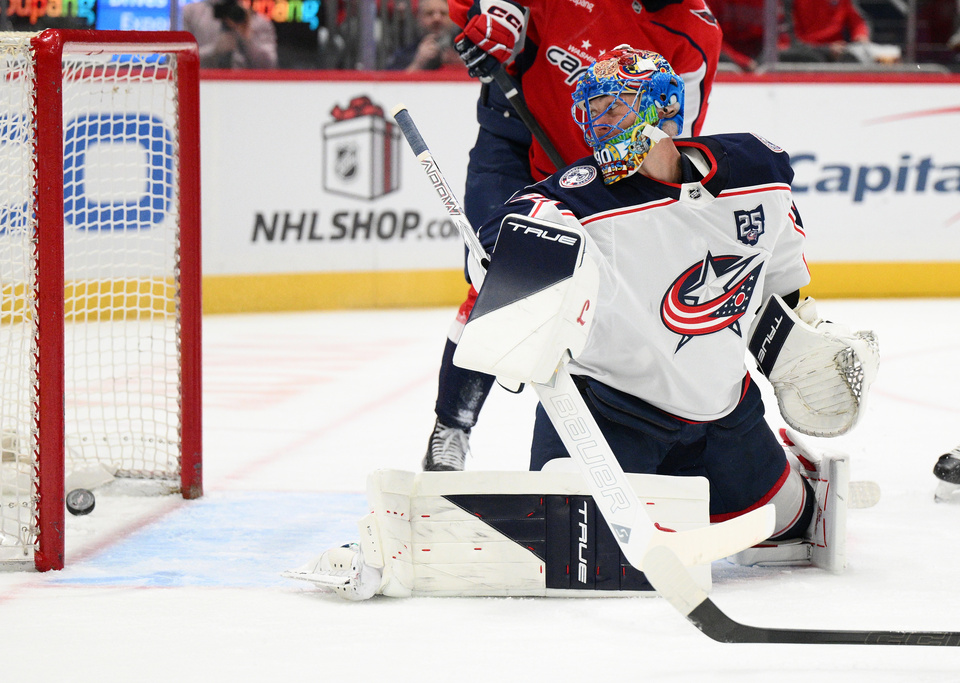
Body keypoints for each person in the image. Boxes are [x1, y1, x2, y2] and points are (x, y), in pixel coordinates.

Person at [285, 47, 879, 598]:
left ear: (663, 107)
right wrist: (501, 257)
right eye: (593, 108)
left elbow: (781, 278)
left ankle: (791, 469)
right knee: (574, 558)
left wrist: (807, 342)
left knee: (787, 523)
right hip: (608, 416)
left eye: (617, 104)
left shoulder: (757, 172)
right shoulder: (580, 198)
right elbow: (522, 220)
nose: (601, 123)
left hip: (724, 413)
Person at [421, 0, 723, 471]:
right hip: (517, 139)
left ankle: (604, 447)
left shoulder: (693, 33)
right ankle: (452, 426)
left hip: (603, 169)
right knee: (498, 278)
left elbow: (670, 138)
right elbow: (468, 8)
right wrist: (497, 13)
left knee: (605, 306)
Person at [182, 0, 278, 69]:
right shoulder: (192, 13)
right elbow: (179, 62)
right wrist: (213, 50)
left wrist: (247, 39)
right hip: (203, 83)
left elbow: (269, 66)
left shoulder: (258, 22)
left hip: (246, 86)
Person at [386, 0, 466, 71]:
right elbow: (390, 85)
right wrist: (418, 64)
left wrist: (464, 64)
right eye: (429, 13)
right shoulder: (404, 55)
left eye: (443, 13)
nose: (437, 18)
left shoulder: (467, 49)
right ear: (419, 18)